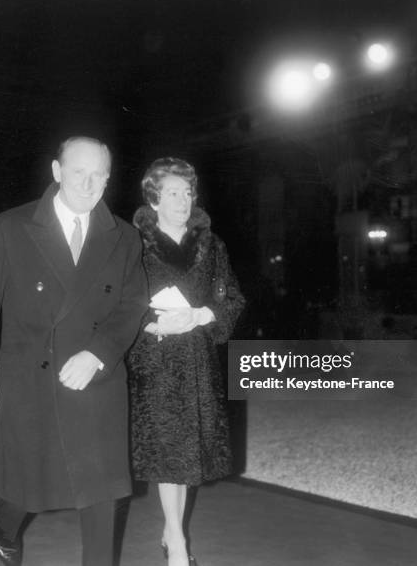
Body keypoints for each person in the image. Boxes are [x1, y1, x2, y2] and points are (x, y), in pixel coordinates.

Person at [0, 136, 147, 566]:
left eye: (99, 174)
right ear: (56, 171)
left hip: (97, 380)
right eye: (78, 171)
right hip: (32, 376)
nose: (89, 183)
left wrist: (98, 354)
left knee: (102, 492)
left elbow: (132, 304)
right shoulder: (9, 227)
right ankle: (5, 516)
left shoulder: (124, 237)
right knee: (27, 484)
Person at [127, 157, 245, 566]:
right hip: (154, 360)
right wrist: (152, 323)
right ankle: (177, 544)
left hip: (196, 359)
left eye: (188, 192)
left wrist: (198, 316)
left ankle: (169, 530)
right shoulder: (133, 245)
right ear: (154, 198)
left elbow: (232, 299)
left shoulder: (212, 246)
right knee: (167, 452)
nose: (182, 199)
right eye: (173, 192)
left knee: (186, 455)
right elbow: (118, 301)